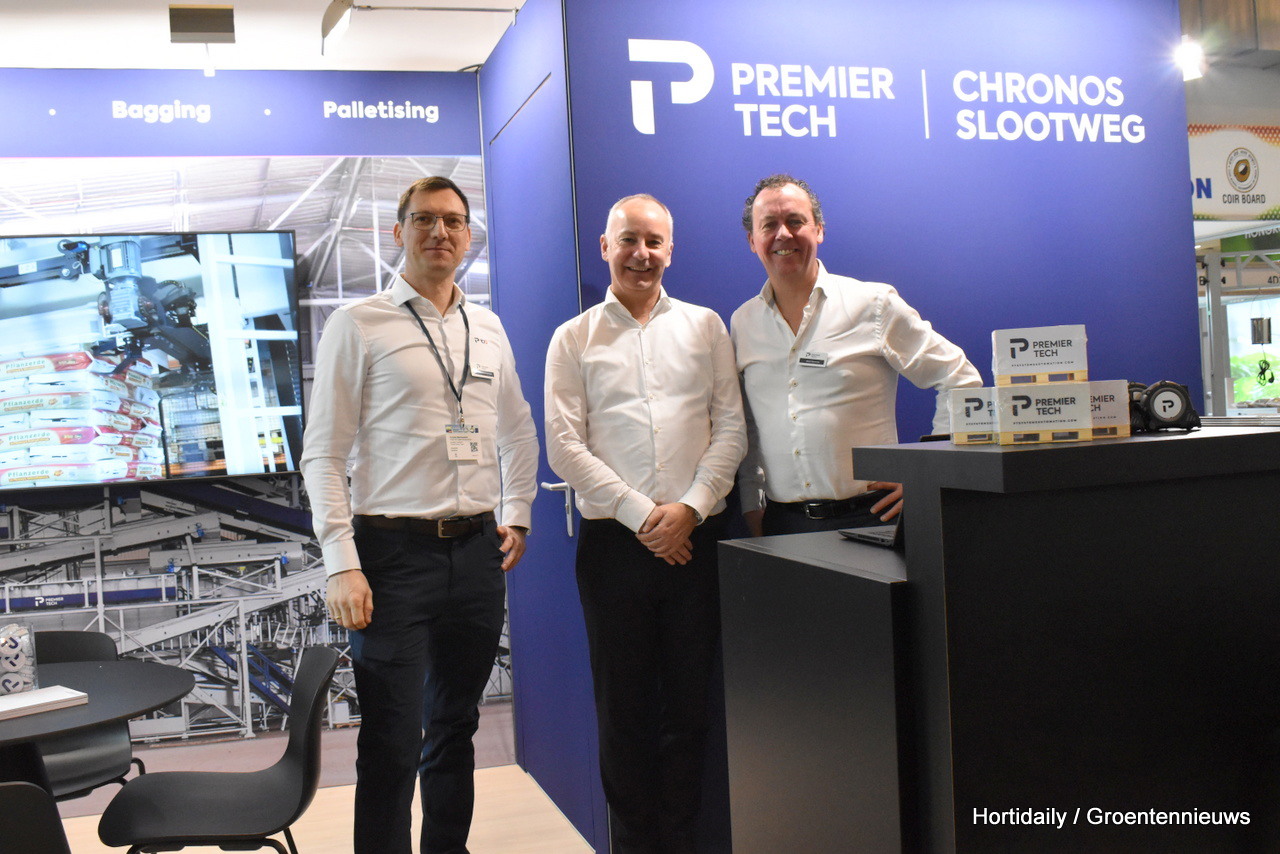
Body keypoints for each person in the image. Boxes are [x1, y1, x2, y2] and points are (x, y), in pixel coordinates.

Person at [300, 175, 538, 854]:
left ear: (468, 235)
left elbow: (518, 429)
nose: (440, 232)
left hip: (476, 553)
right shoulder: (358, 324)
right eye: (425, 219)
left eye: (453, 221)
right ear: (397, 230)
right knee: (392, 737)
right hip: (391, 556)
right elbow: (323, 454)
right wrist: (341, 563)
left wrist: (518, 511)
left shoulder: (486, 327)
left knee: (455, 726)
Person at [545, 194, 746, 853]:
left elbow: (731, 430)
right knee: (623, 714)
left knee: (689, 711)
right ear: (605, 247)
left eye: (654, 242)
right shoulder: (574, 339)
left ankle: (682, 840)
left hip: (697, 541)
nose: (641, 253)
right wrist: (645, 517)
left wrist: (688, 510)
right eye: (628, 240)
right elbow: (564, 447)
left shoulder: (705, 327)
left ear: (671, 251)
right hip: (615, 550)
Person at [731, 174, 981, 536]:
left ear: (819, 230)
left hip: (871, 518)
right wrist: (751, 501)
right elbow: (750, 424)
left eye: (795, 221)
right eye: (769, 225)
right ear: (752, 241)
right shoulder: (744, 322)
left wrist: (930, 474)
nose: (783, 234)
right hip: (783, 524)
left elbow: (959, 377)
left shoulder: (873, 305)